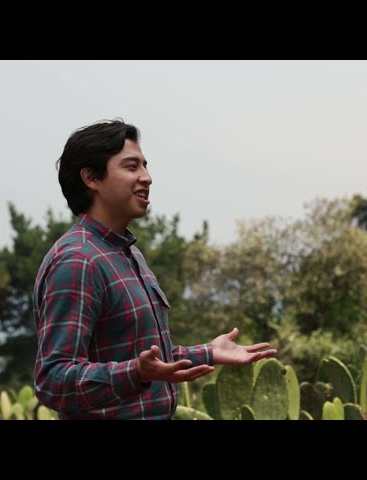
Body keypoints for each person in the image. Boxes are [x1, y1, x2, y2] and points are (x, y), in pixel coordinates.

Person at [33, 119, 277, 419]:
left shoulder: (128, 253)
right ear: (91, 178)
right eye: (131, 167)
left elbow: (143, 359)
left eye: (145, 166)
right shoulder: (78, 260)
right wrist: (135, 373)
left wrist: (208, 352)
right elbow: (53, 379)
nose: (147, 178)